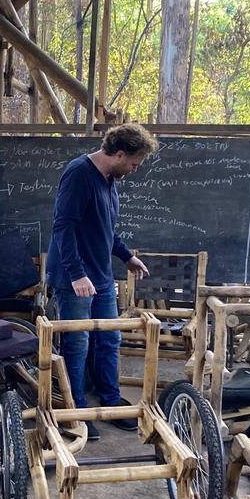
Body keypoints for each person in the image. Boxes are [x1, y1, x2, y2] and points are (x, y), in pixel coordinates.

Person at [46, 124, 158, 440]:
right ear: (119, 154)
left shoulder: (110, 179)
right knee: (77, 344)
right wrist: (76, 273)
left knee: (110, 340)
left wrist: (126, 256)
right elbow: (63, 227)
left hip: (102, 277)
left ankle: (109, 400)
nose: (134, 170)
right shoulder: (79, 174)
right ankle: (77, 410)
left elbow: (105, 228)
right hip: (75, 279)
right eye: (134, 163)